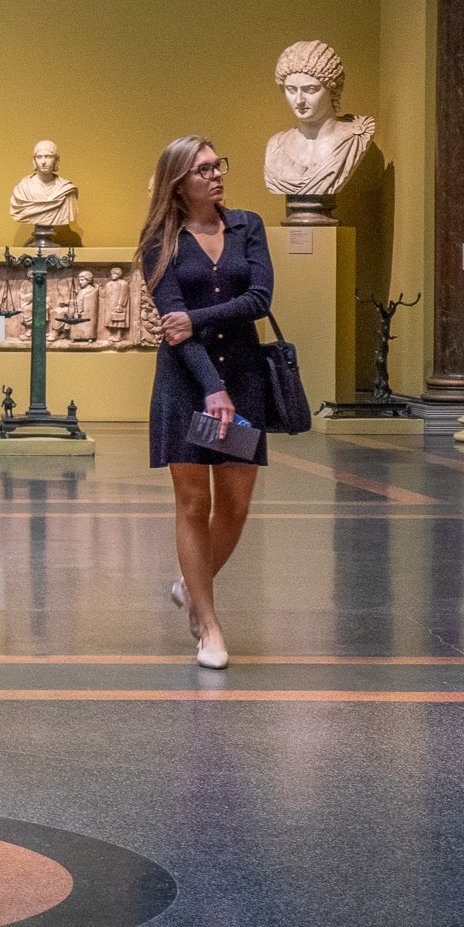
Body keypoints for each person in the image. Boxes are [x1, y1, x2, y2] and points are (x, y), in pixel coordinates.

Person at [138, 136, 272, 671]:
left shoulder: (247, 226)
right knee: (194, 503)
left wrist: (198, 318)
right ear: (179, 182)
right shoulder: (159, 240)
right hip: (187, 382)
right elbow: (172, 326)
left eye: (219, 166)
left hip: (243, 377)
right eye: (204, 170)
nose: (217, 176)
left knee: (234, 507)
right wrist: (211, 387)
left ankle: (193, 586)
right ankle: (209, 627)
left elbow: (259, 299)